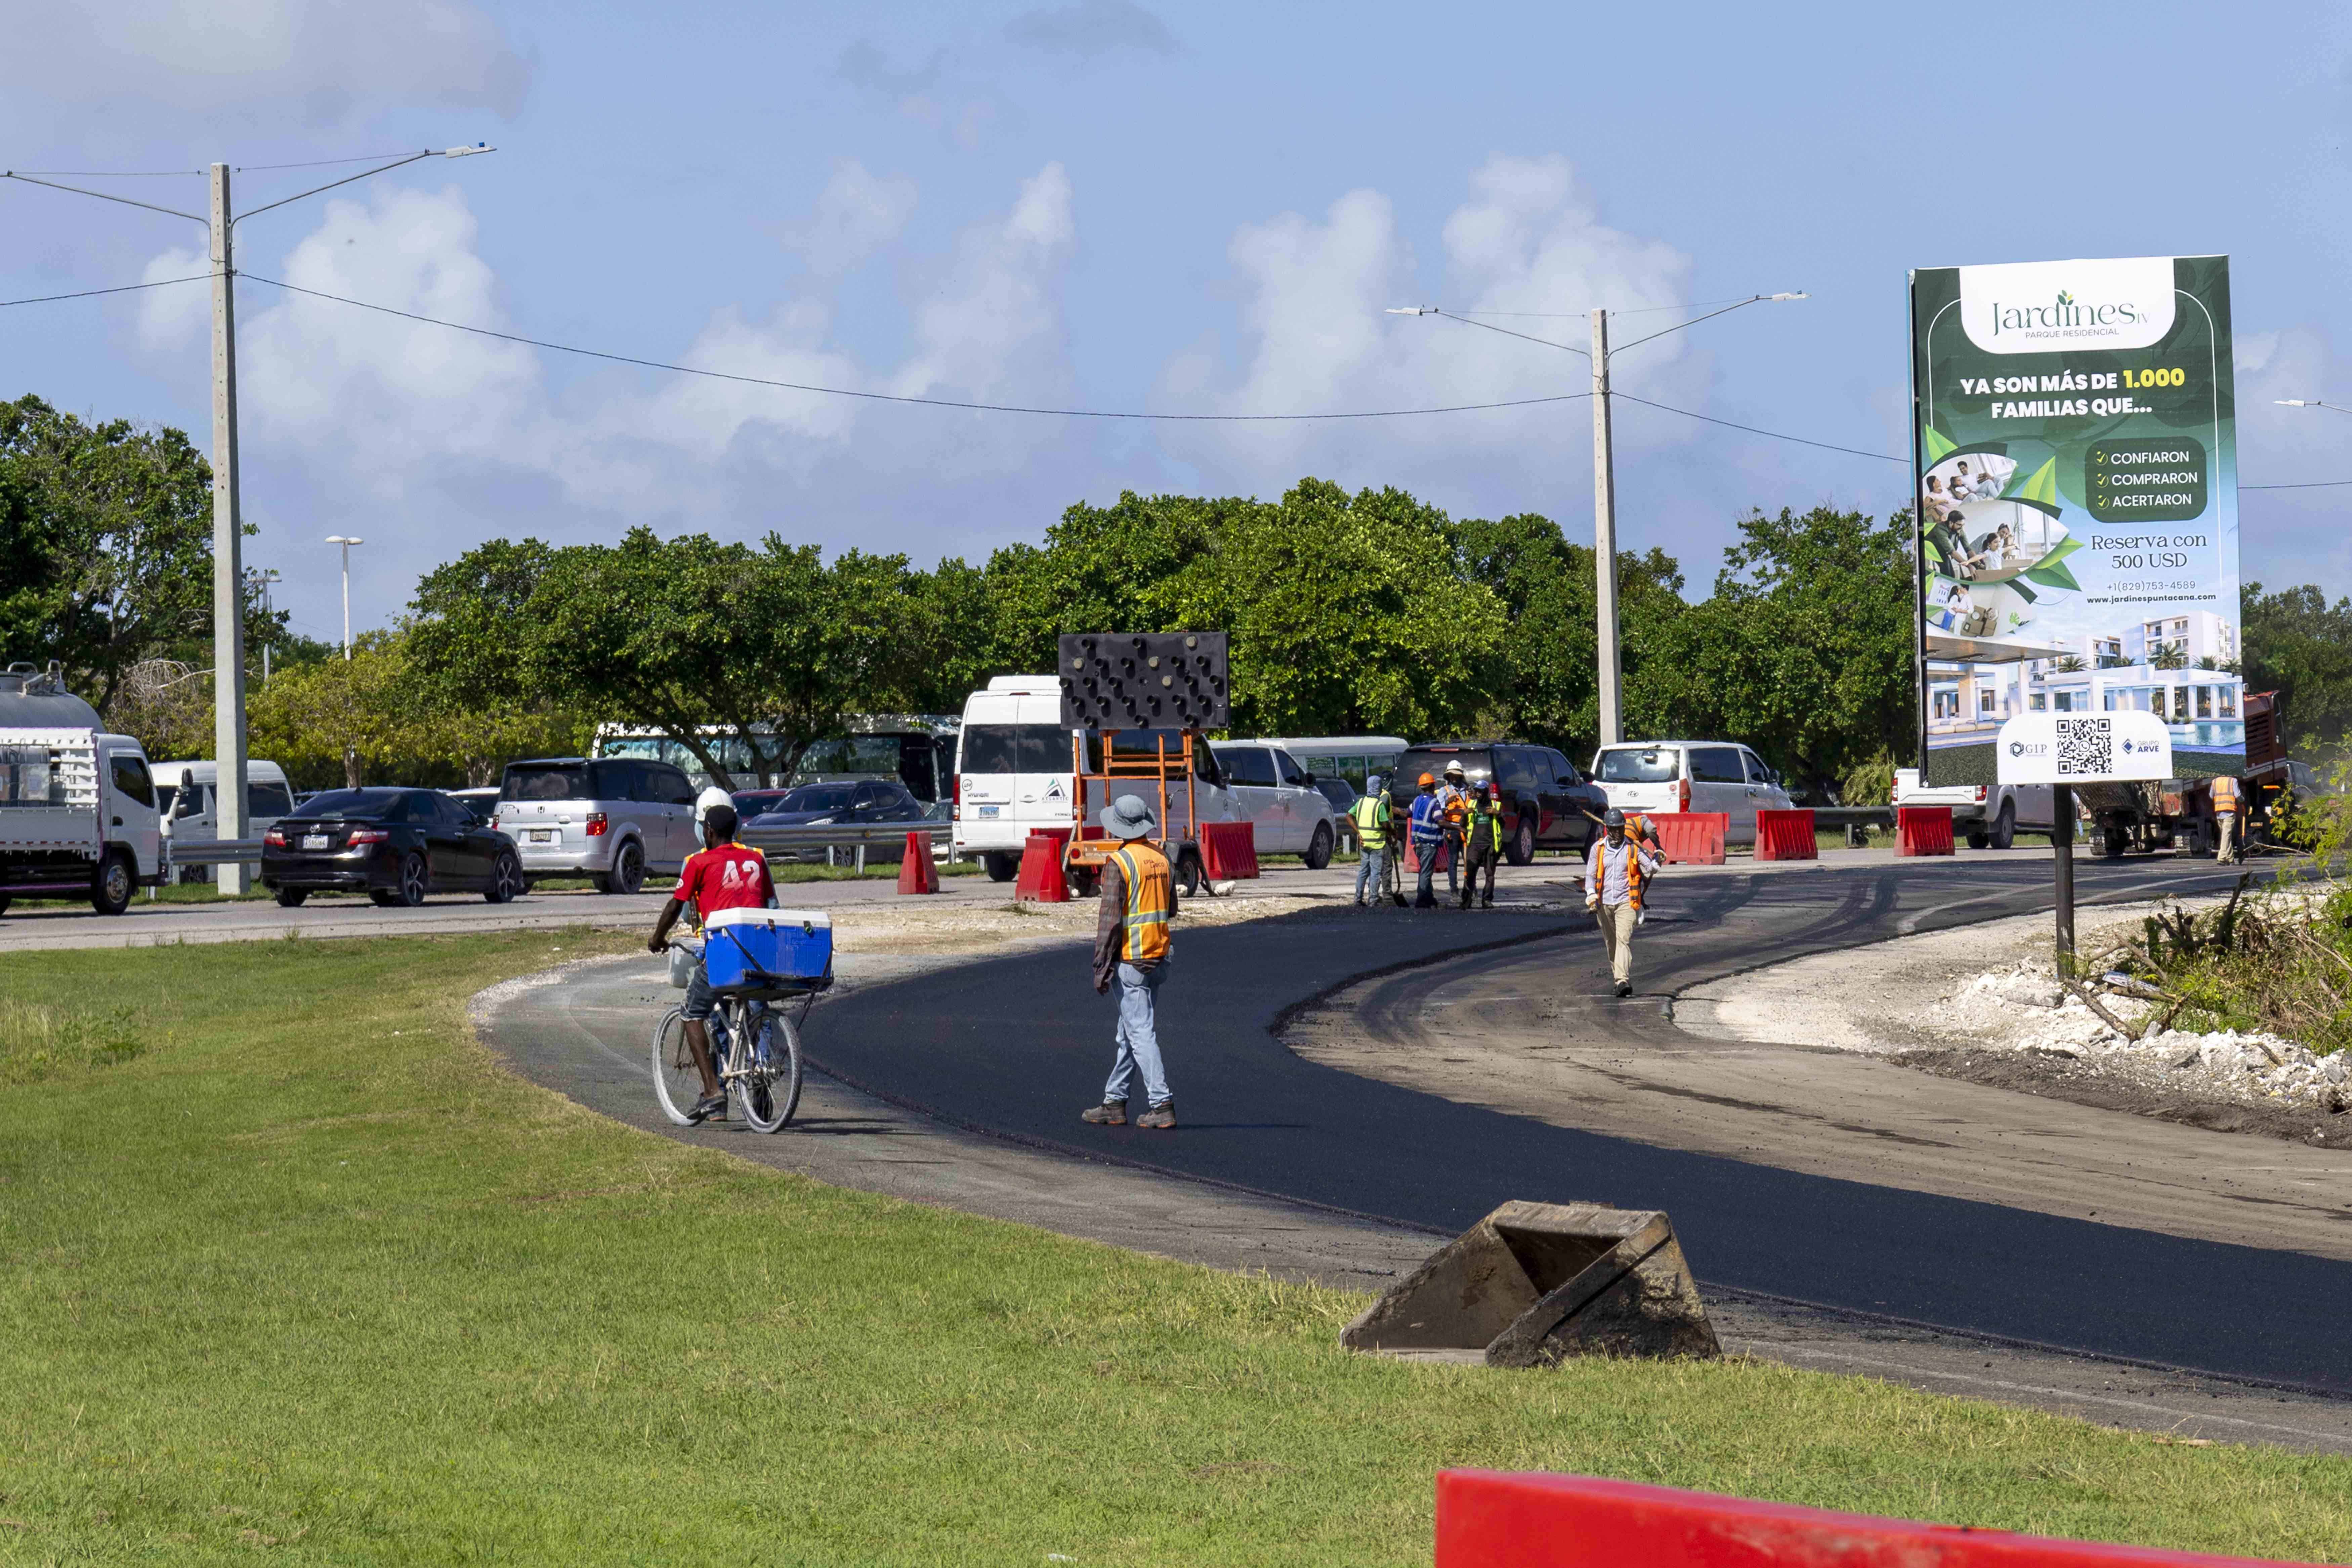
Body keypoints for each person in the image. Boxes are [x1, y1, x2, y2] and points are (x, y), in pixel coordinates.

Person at [646, 802, 779, 1123]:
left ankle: (713, 1092)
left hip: (724, 954)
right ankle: (759, 1070)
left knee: (693, 1012)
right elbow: (771, 903)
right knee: (753, 1011)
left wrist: (657, 939)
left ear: (707, 830)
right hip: (761, 952)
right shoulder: (757, 858)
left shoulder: (699, 862)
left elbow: (675, 906)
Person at [1081, 794, 1177, 1130]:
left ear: (1120, 827)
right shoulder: (1161, 857)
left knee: (1140, 1034)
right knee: (1130, 1032)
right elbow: (1172, 908)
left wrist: (1100, 968)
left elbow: (1109, 923)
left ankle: (1161, 1104)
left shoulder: (1119, 863)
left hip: (1132, 961)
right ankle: (1114, 1102)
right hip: (1159, 957)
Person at [1585, 807, 1662, 998]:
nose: (1617, 833)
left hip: (1626, 902)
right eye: (1614, 829)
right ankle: (1618, 978)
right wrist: (1591, 895)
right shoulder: (1598, 849)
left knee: (1623, 941)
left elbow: (1649, 868)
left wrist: (1657, 861)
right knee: (1611, 944)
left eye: (1620, 828)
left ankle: (1622, 981)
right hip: (1603, 904)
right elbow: (1590, 875)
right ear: (1608, 829)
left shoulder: (1633, 848)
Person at [1458, 782, 1504, 909]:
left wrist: (1498, 814)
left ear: (1486, 792)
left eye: (1480, 791)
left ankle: (1487, 900)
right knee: (1470, 873)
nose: (1478, 794)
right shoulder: (1472, 804)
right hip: (1475, 845)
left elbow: (1503, 824)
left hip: (1490, 845)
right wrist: (1464, 814)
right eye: (1476, 791)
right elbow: (1462, 825)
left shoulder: (1495, 805)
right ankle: (1466, 900)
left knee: (1489, 874)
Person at [1350, 773, 1393, 908]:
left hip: (1364, 843)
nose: (1381, 790)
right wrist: (1393, 832)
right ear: (1377, 788)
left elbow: (1348, 816)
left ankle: (1358, 899)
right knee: (1375, 872)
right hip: (1377, 844)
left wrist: (1358, 833)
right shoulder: (1379, 805)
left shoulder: (1361, 802)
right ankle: (1373, 899)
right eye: (1380, 787)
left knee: (1363, 871)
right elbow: (1385, 824)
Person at [1408, 771, 1447, 908]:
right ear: (1432, 786)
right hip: (1429, 844)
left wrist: (1394, 810)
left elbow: (1407, 813)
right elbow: (1440, 822)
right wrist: (1458, 827)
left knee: (1426, 870)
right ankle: (1421, 900)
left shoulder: (1417, 801)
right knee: (1425, 872)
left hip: (1418, 844)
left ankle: (1429, 898)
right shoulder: (1434, 802)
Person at [1438, 759, 1470, 897]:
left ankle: (1469, 888)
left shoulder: (1468, 791)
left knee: (1469, 861)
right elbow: (1439, 811)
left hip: (1467, 829)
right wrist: (1447, 802)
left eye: (1456, 775)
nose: (1454, 778)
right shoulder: (1444, 791)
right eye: (1451, 775)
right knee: (1453, 861)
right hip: (1452, 830)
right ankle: (1454, 889)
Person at [2211, 772, 2242, 864]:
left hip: (2219, 812)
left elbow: (2211, 796)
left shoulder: (2215, 781)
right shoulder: (2233, 781)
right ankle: (2222, 858)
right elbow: (2238, 795)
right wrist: (2243, 801)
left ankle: (2230, 859)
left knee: (2226, 836)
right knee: (2226, 836)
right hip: (2229, 812)